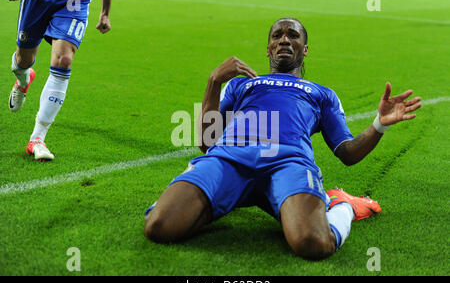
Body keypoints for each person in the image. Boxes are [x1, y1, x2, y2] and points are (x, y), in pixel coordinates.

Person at [144, 18, 422, 260]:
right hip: (227, 158)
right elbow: (207, 142)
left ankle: (343, 206)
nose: (284, 39)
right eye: (277, 35)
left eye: (293, 35)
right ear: (268, 49)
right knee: (159, 226)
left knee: (313, 243)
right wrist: (214, 81)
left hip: (289, 162)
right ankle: (216, 202)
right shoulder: (240, 84)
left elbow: (347, 152)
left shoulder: (321, 93)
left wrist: (379, 125)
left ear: (305, 49)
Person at [3, 0, 114, 161]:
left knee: (64, 59)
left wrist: (105, 12)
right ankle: (23, 79)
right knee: (23, 60)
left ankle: (37, 139)